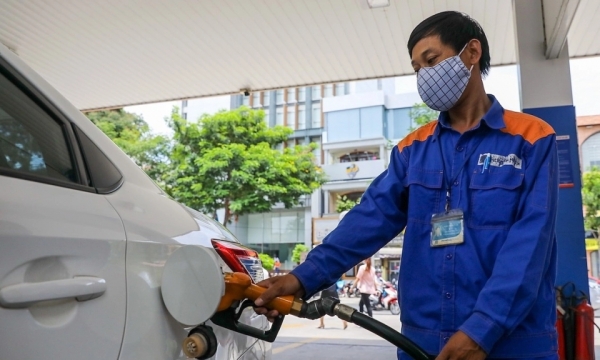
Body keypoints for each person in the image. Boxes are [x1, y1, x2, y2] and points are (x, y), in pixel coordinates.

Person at [254, 11, 558, 360]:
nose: (425, 76)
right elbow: (369, 219)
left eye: (432, 60)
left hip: (513, 343)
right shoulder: (412, 149)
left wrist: (482, 329)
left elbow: (530, 245)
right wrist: (301, 278)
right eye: (417, 70)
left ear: (471, 53)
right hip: (423, 342)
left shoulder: (532, 139)